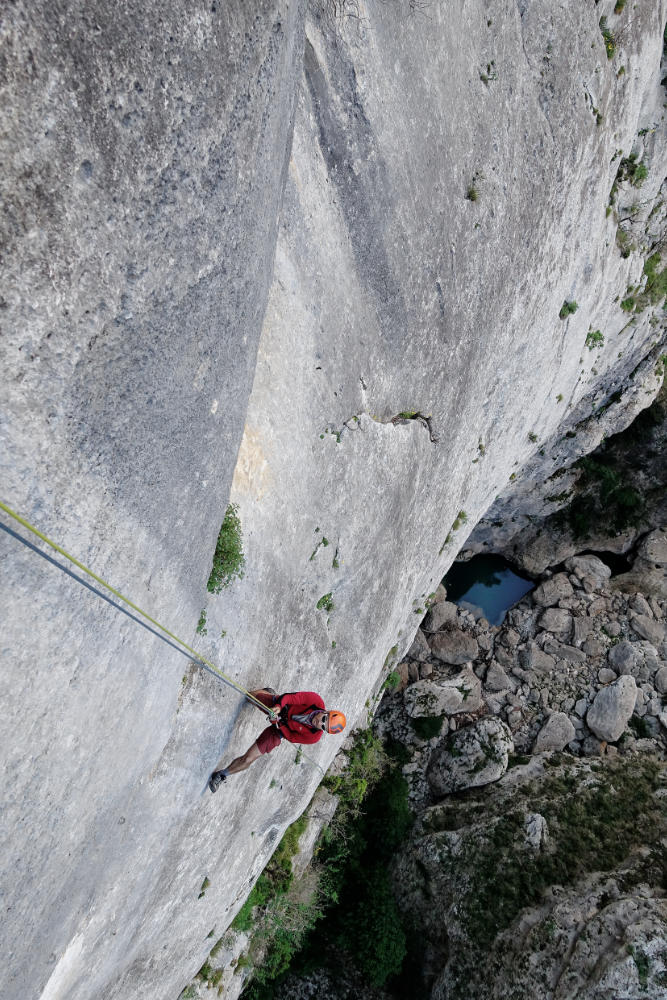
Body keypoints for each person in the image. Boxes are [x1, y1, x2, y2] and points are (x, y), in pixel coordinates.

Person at [208, 687, 346, 792]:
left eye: (323, 727)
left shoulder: (313, 737)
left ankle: (222, 775)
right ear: (326, 712)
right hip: (281, 707)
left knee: (249, 759)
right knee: (249, 696)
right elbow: (292, 698)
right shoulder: (315, 701)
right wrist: (278, 707)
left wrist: (277, 723)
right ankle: (268, 693)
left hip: (280, 731)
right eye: (324, 719)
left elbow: (291, 737)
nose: (319, 723)